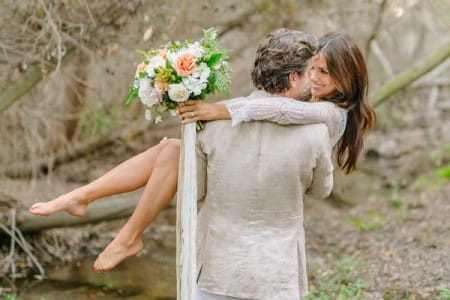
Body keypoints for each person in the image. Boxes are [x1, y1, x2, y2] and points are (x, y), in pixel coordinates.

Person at [28, 30, 375, 273]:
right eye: (312, 69)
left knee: (172, 152)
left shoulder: (329, 114)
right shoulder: (316, 100)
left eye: (324, 72)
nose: (314, 78)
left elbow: (281, 110)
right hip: (253, 190)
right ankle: (86, 201)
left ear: (345, 76)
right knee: (170, 150)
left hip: (270, 194)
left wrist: (219, 110)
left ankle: (122, 229)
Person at [193, 28, 331, 299]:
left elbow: (195, 192)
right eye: (310, 73)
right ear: (293, 77)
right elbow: (321, 190)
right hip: (276, 276)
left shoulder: (211, 122)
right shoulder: (316, 131)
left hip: (216, 272)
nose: (313, 81)